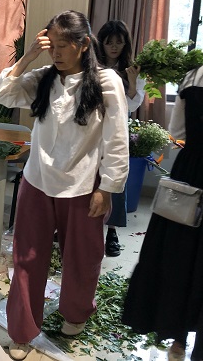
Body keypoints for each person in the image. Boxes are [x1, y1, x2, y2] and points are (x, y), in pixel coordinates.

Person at [0, 10, 129, 360]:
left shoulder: (106, 81)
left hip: (82, 185)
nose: (55, 53)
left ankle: (76, 313)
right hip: (37, 180)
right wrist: (27, 56)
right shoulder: (43, 78)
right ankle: (22, 329)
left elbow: (116, 139)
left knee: (82, 257)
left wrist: (107, 187)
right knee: (26, 257)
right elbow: (2, 94)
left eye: (63, 45)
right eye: (51, 45)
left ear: (83, 45)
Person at [123, 65, 203, 361]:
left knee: (181, 255)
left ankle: (178, 340)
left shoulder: (193, 76)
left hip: (193, 170)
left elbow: (178, 133)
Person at [96, 20, 146, 257]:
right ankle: (77, 224)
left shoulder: (133, 69)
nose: (114, 47)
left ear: (126, 44)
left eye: (119, 42)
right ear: (101, 44)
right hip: (92, 129)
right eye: (109, 43)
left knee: (115, 177)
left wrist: (132, 83)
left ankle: (112, 231)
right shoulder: (92, 66)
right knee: (87, 175)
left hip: (116, 130)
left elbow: (132, 105)